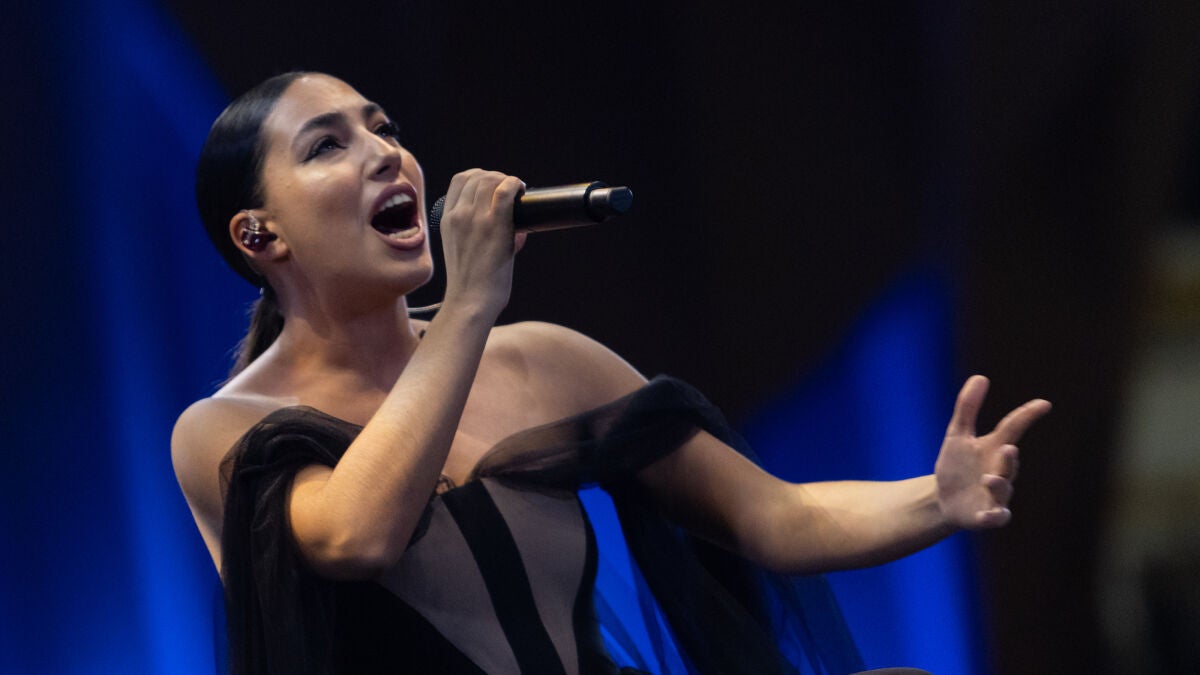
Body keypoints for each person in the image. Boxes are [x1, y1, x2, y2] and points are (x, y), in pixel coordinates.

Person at [171, 71, 1051, 675]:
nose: (382, 153)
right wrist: (471, 303)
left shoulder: (543, 362)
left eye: (384, 128)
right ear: (260, 234)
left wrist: (935, 498)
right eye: (327, 146)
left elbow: (774, 514)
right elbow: (357, 535)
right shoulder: (225, 428)